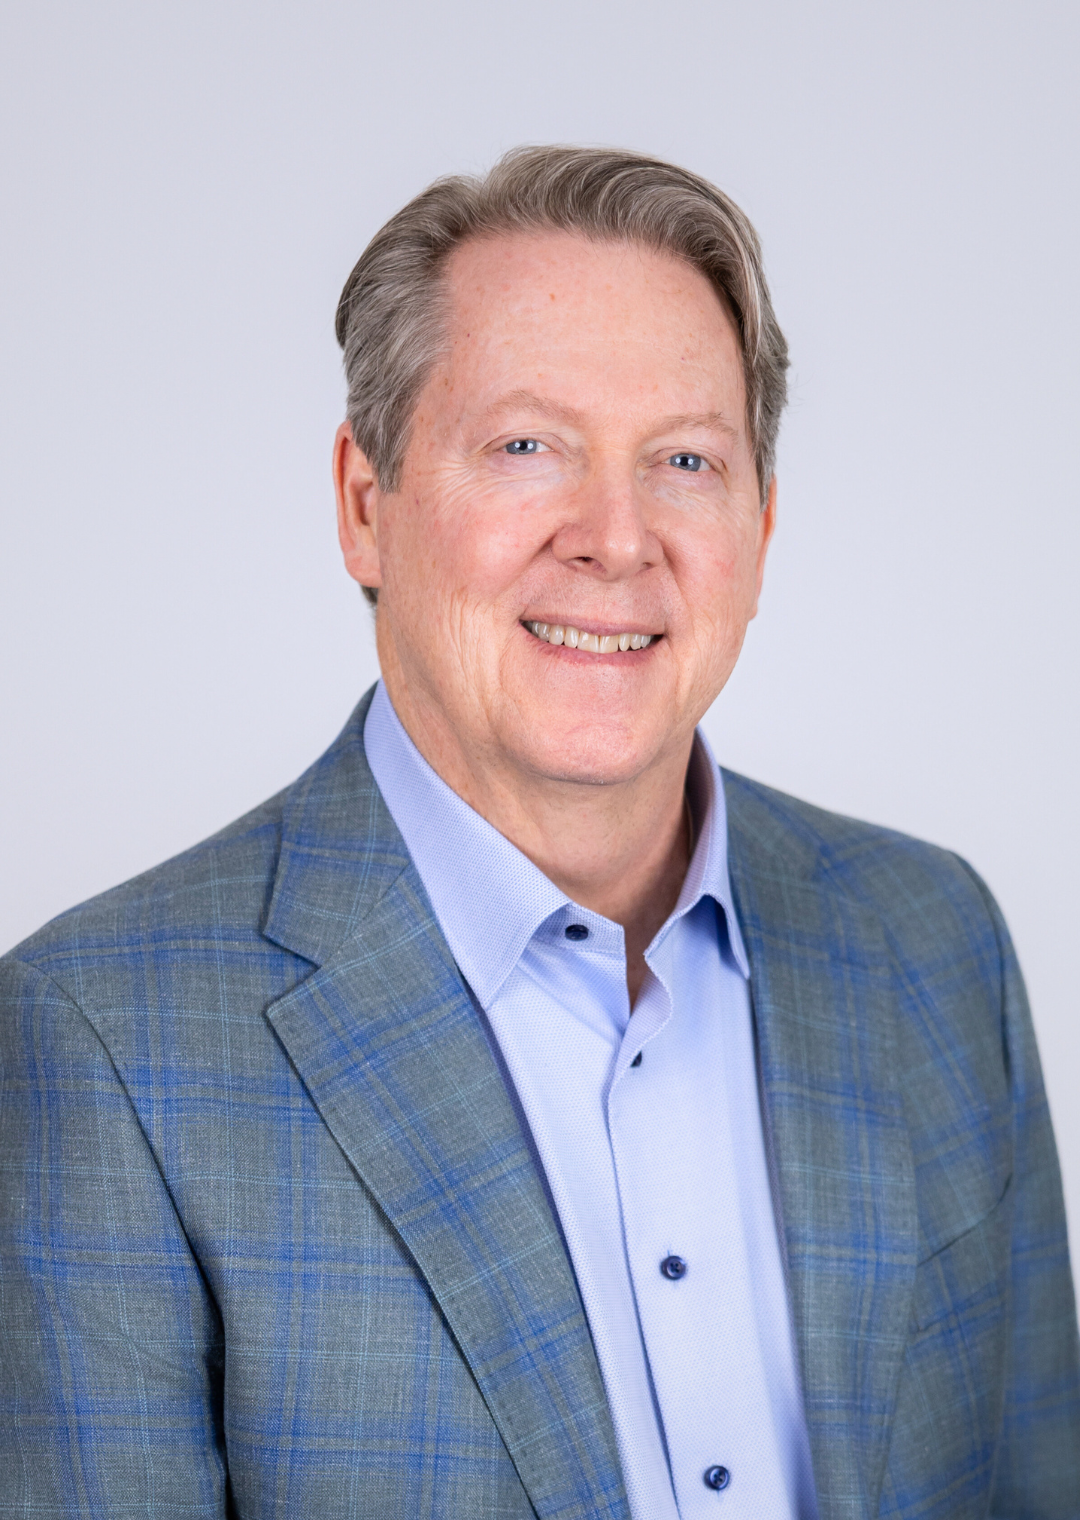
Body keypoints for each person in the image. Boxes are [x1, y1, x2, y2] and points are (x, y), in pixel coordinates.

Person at [1, 146, 1077, 1520]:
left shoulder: (935, 944)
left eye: (686, 458)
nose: (616, 539)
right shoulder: (106, 1046)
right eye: (527, 447)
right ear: (364, 504)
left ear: (761, 523)